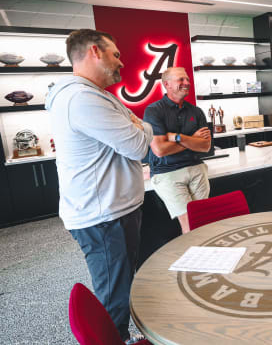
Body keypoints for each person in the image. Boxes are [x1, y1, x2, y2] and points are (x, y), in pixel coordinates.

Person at [46, 29, 153, 343]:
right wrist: (141, 126)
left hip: (114, 210)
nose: (121, 62)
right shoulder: (81, 98)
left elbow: (139, 126)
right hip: (103, 216)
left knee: (120, 285)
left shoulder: (97, 94)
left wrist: (139, 126)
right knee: (114, 296)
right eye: (115, 54)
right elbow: (138, 145)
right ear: (95, 51)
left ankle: (119, 334)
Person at [143, 67, 211, 234]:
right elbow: (159, 150)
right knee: (190, 225)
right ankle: (196, 259)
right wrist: (193, 139)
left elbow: (205, 146)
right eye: (181, 80)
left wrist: (179, 137)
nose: (187, 83)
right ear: (167, 84)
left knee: (204, 220)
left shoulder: (196, 111)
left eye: (187, 79)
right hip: (167, 173)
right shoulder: (153, 111)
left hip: (196, 168)